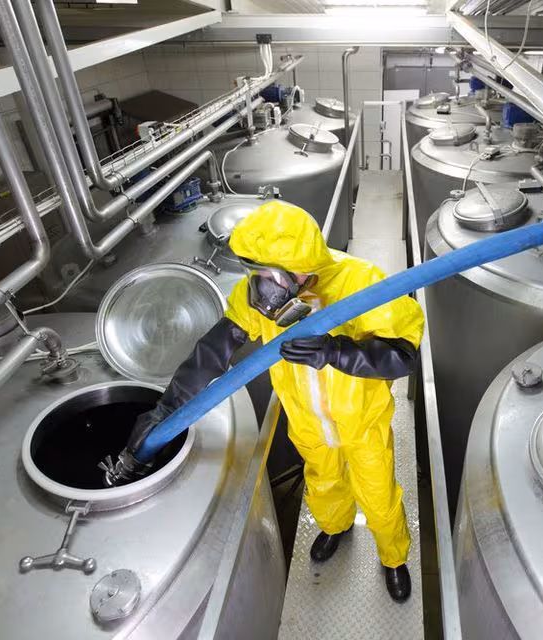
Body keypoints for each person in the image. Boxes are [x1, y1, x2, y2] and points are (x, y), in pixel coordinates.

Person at [124, 201, 424, 602]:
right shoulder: (256, 294)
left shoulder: (362, 282)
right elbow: (214, 351)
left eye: (274, 273)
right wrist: (168, 407)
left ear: (302, 265)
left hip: (362, 422)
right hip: (306, 421)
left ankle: (393, 556)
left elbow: (403, 354)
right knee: (322, 481)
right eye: (256, 271)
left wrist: (337, 352)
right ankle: (335, 528)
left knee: (378, 490)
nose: (265, 285)